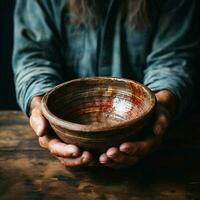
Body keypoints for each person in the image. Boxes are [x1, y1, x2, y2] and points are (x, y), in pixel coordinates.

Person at [13, 0, 198, 168]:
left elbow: (172, 60)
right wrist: (39, 107)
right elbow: (34, 58)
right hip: (63, 133)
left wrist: (163, 105)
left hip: (153, 150)